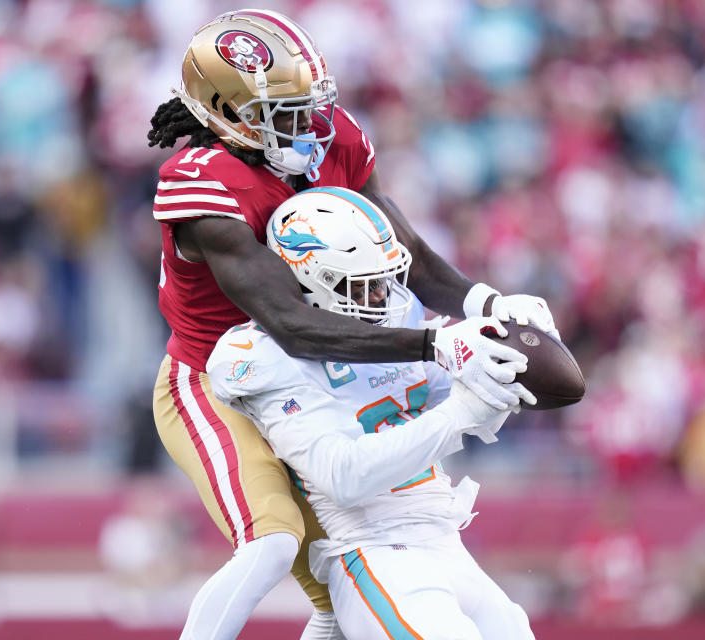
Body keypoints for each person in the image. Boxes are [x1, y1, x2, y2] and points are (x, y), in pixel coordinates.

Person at [146, 9, 557, 640]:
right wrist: (435, 342)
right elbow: (290, 323)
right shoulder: (204, 183)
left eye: (307, 107)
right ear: (225, 112)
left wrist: (484, 304)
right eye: (281, 113)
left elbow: (407, 252)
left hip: (309, 377)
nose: (305, 126)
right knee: (271, 543)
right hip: (216, 380)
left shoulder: (330, 136)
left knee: (336, 594)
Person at [207, 187, 536, 639]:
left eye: (386, 279)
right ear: (312, 280)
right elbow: (343, 475)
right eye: (366, 284)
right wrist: (460, 413)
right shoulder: (264, 357)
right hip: (375, 550)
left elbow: (461, 382)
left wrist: (509, 338)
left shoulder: (392, 321)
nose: (384, 296)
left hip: (446, 543)